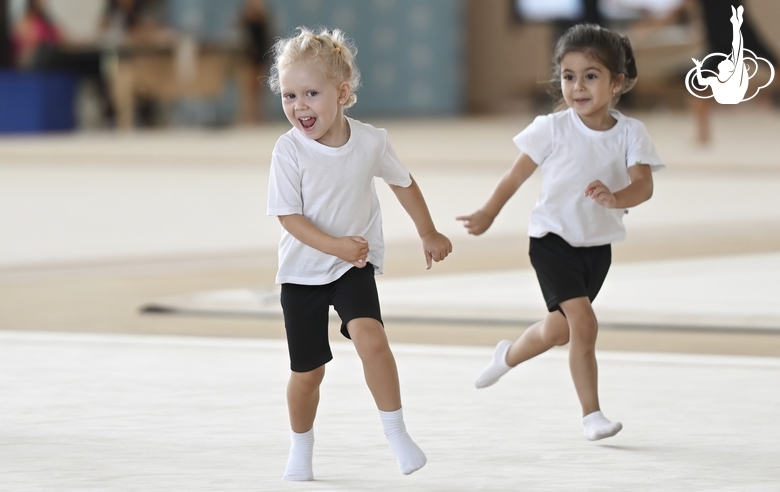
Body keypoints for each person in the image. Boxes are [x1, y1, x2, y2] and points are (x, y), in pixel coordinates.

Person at [457, 23, 664, 442]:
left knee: (560, 329)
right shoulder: (551, 129)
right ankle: (592, 415)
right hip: (551, 240)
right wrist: (487, 213)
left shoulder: (630, 133)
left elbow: (644, 185)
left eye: (591, 75)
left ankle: (509, 355)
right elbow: (514, 177)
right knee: (584, 324)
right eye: (569, 76)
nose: (578, 86)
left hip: (596, 246)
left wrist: (616, 196)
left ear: (617, 82)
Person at [266, 26, 452, 480]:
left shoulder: (370, 141)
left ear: (343, 93)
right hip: (302, 273)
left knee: (373, 339)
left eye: (311, 93)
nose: (299, 106)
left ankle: (397, 433)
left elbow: (403, 183)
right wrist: (336, 245)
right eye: (289, 96)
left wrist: (427, 231)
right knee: (309, 373)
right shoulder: (288, 151)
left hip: (353, 267)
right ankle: (301, 447)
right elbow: (289, 218)